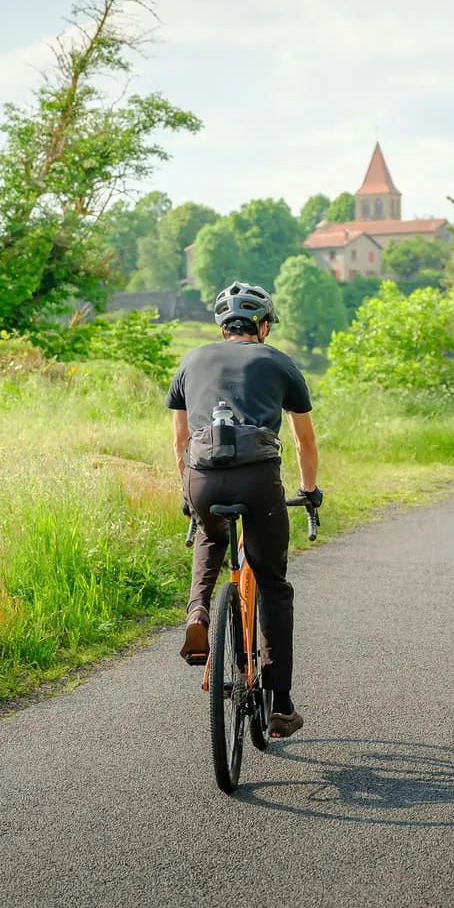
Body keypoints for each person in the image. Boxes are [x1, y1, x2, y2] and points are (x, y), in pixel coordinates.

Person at [165, 280, 321, 739]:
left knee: (211, 536)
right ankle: (282, 705)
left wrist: (188, 494)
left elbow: (179, 442)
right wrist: (308, 491)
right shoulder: (279, 362)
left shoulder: (191, 361)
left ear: (222, 326)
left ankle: (198, 615)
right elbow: (303, 441)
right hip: (258, 479)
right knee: (272, 583)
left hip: (203, 475)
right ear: (264, 325)